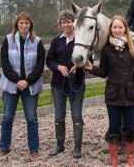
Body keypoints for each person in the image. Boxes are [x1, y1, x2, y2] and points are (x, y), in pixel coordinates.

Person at [84, 16, 134, 167]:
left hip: (131, 93)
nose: (117, 30)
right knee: (113, 128)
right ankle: (114, 161)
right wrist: (91, 68)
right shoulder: (106, 49)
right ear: (110, 29)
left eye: (120, 27)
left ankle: (130, 158)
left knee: (130, 128)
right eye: (114, 27)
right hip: (113, 94)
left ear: (125, 29)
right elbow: (104, 71)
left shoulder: (133, 47)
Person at [0, 12, 45, 158]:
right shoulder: (8, 40)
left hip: (30, 86)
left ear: (30, 25)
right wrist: (17, 80)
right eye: (21, 23)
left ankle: (34, 149)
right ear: (16, 25)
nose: (24, 25)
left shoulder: (37, 42)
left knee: (31, 118)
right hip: (11, 85)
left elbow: (40, 65)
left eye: (27, 23)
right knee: (7, 117)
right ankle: (4, 147)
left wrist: (27, 81)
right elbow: (5, 64)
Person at [46, 9, 85, 159]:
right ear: (60, 24)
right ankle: (59, 145)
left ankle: (77, 147)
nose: (66, 24)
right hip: (58, 83)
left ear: (73, 22)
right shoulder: (57, 40)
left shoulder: (80, 39)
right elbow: (49, 60)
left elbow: (90, 60)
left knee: (76, 115)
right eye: (63, 22)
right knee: (59, 115)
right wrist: (58, 67)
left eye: (68, 21)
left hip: (76, 83)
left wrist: (79, 65)